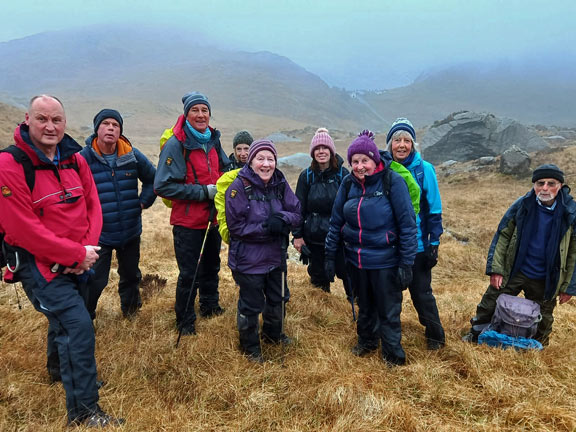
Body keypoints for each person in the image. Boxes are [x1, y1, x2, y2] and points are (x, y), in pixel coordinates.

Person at [0, 95, 123, 426]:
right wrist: (74, 255)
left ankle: (59, 371)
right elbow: (22, 228)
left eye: (56, 119)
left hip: (80, 259)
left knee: (66, 322)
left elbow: (93, 205)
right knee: (78, 326)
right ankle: (84, 412)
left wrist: (86, 251)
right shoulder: (9, 165)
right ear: (27, 119)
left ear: (65, 122)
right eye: (42, 119)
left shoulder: (74, 159)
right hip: (37, 266)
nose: (50, 126)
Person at [325, 131, 418, 366]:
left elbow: (407, 225)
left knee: (388, 309)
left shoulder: (392, 181)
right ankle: (366, 341)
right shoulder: (348, 184)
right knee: (364, 304)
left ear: (374, 160)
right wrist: (329, 255)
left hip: (385, 260)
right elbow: (336, 221)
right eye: (355, 161)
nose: (359, 166)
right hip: (356, 260)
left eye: (364, 160)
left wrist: (407, 263)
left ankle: (392, 354)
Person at [463, 164, 576, 345]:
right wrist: (496, 269)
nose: (545, 188)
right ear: (534, 185)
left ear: (560, 186)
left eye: (551, 183)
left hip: (547, 276)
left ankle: (537, 347)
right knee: (489, 303)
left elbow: (573, 253)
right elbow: (503, 235)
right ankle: (476, 336)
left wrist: (568, 287)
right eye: (540, 183)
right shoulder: (523, 205)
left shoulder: (571, 212)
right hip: (515, 269)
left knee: (544, 316)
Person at [154, 92, 230, 335]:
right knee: (189, 274)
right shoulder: (176, 144)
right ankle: (185, 321)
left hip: (213, 219)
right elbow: (162, 185)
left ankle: (210, 306)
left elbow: (225, 170)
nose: (200, 115)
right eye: (195, 110)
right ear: (186, 114)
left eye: (204, 110)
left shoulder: (213, 140)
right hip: (187, 222)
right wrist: (203, 192)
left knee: (211, 265)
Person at [225, 139, 301, 362]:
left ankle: (273, 335)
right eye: (261, 158)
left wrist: (282, 218)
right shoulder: (238, 187)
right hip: (248, 260)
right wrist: (268, 227)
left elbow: (296, 211)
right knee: (251, 304)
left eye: (270, 159)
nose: (266, 164)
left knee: (277, 298)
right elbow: (236, 227)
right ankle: (250, 347)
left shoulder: (280, 183)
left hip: (276, 257)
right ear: (251, 161)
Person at [80, 109, 156, 319]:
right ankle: (84, 317)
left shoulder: (130, 154)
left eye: (115, 124)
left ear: (120, 130)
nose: (111, 128)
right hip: (99, 233)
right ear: (97, 129)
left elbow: (153, 179)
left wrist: (143, 203)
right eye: (106, 123)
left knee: (131, 275)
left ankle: (131, 312)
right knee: (95, 279)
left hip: (130, 229)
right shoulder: (83, 158)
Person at [386, 118, 445, 350]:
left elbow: (434, 208)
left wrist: (434, 243)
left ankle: (436, 337)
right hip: (390, 245)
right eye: (397, 140)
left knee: (421, 294)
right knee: (391, 295)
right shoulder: (384, 168)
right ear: (390, 144)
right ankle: (391, 337)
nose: (402, 145)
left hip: (418, 246)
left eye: (407, 140)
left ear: (413, 144)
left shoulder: (425, 169)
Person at [293, 128, 351, 295]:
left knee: (348, 275)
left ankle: (357, 311)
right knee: (319, 280)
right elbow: (298, 208)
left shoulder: (343, 175)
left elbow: (351, 207)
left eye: (324, 148)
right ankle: (322, 315)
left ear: (331, 151)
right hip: (315, 238)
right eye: (317, 149)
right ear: (312, 153)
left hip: (340, 239)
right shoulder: (306, 176)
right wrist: (297, 235)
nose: (321, 152)